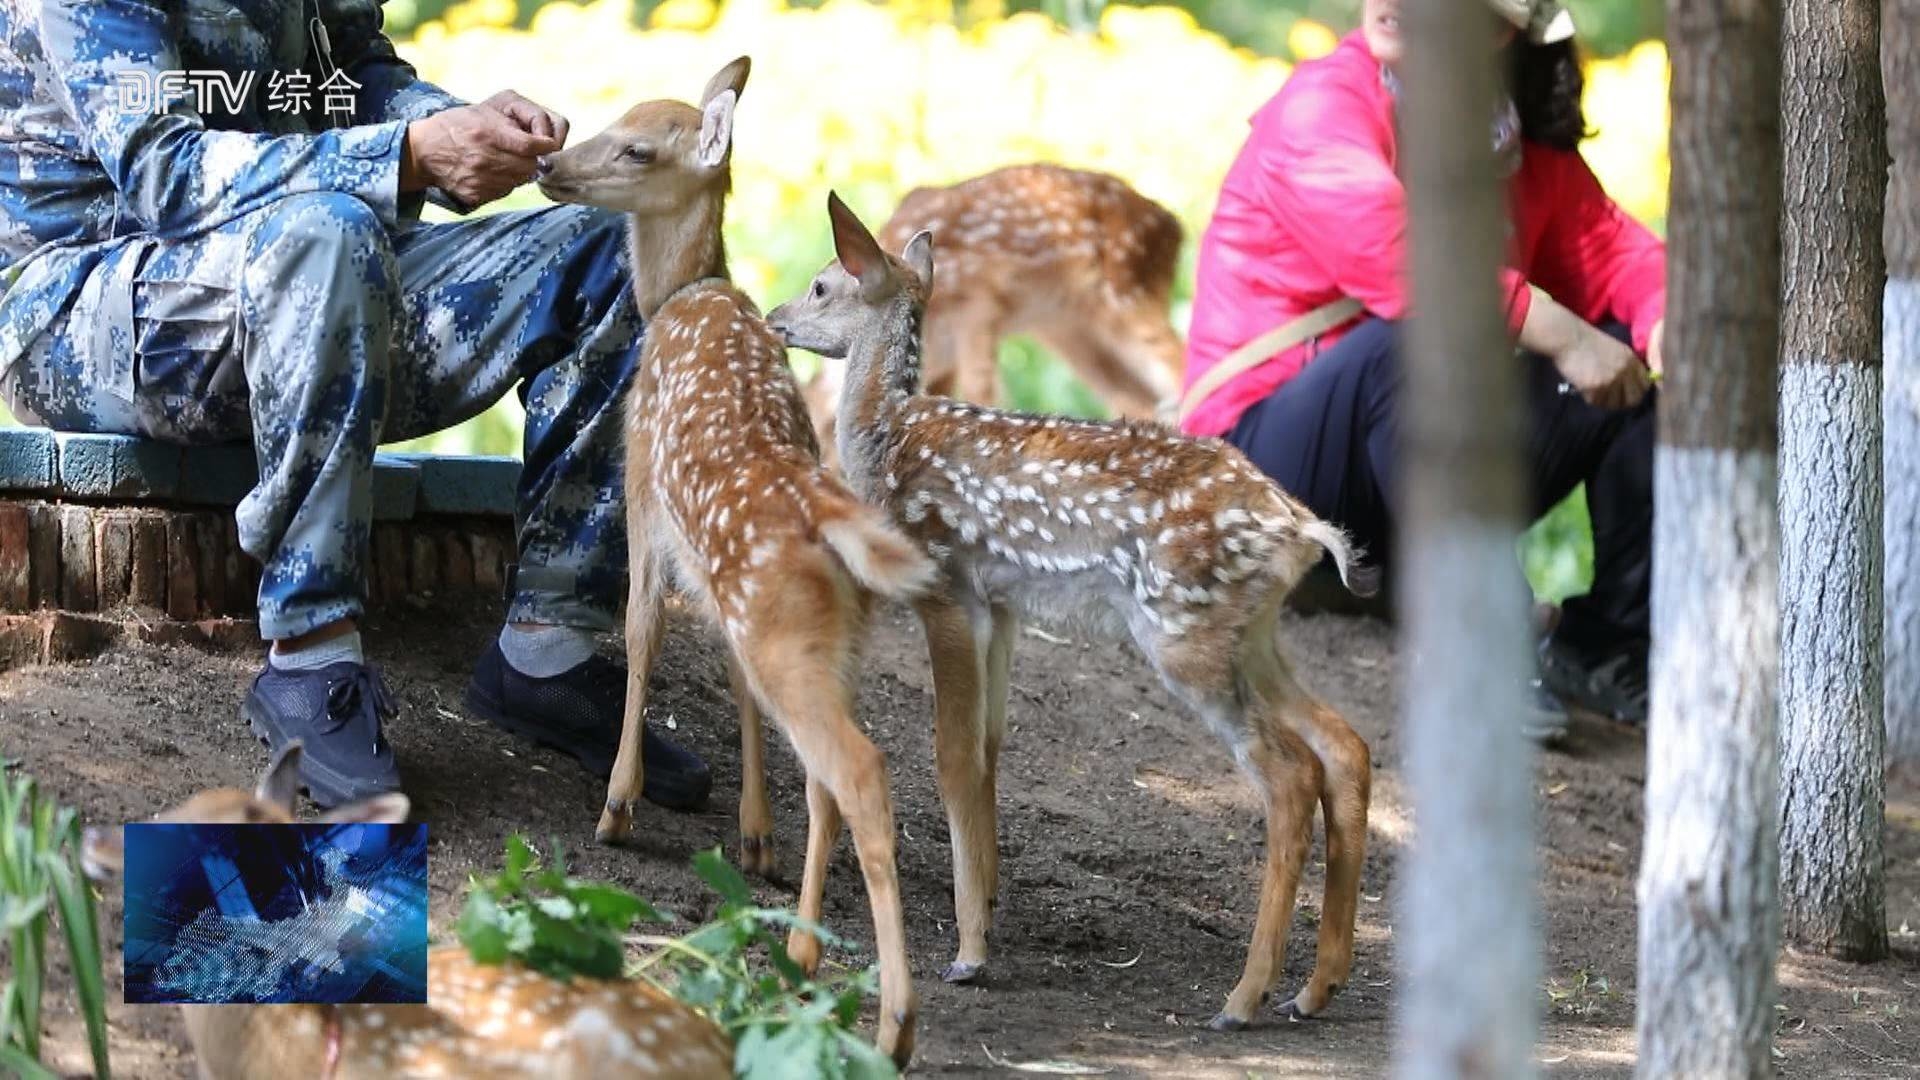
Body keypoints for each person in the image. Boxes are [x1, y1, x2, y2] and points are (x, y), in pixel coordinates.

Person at [0, 0, 710, 809]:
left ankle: (549, 647)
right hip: (92, 305)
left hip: (313, 266)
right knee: (328, 235)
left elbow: (354, 77)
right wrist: (406, 156)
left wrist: (458, 128)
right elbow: (165, 171)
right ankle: (310, 655)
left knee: (620, 251)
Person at [1181, 0, 1661, 737]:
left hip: (1402, 478)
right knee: (1419, 338)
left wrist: (1664, 322)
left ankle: (1605, 650)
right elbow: (1405, 263)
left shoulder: (1509, 143)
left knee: (1627, 361)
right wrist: (1561, 332)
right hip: (1266, 475)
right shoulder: (1321, 104)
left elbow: (1613, 252)